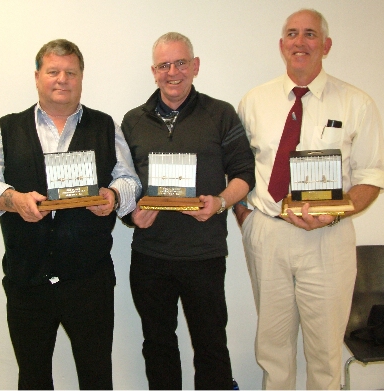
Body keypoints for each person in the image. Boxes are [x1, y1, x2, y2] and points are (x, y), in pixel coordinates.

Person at [0, 39, 141, 390]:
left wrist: (113, 196)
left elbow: (129, 180)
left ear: (81, 77)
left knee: (96, 378)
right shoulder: (6, 128)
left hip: (89, 281)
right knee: (32, 379)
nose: (62, 79)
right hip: (26, 280)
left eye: (71, 72)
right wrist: (13, 199)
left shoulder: (107, 126)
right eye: (53, 71)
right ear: (37, 77)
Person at [235, 9, 384, 390]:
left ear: (327, 45)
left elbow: (370, 177)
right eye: (292, 34)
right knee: (272, 349)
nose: (300, 42)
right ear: (282, 45)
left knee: (325, 352)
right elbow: (237, 169)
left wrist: (335, 215)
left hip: (328, 239)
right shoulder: (254, 101)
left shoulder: (357, 103)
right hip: (268, 235)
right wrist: (246, 218)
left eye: (310, 34)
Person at [120, 32, 255, 390]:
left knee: (211, 345)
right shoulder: (133, 121)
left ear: (195, 66)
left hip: (204, 254)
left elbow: (244, 173)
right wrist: (131, 213)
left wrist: (221, 202)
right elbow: (122, 182)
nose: (173, 72)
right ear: (154, 71)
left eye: (181, 63)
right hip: (151, 256)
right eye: (164, 65)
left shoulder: (221, 114)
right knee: (158, 345)